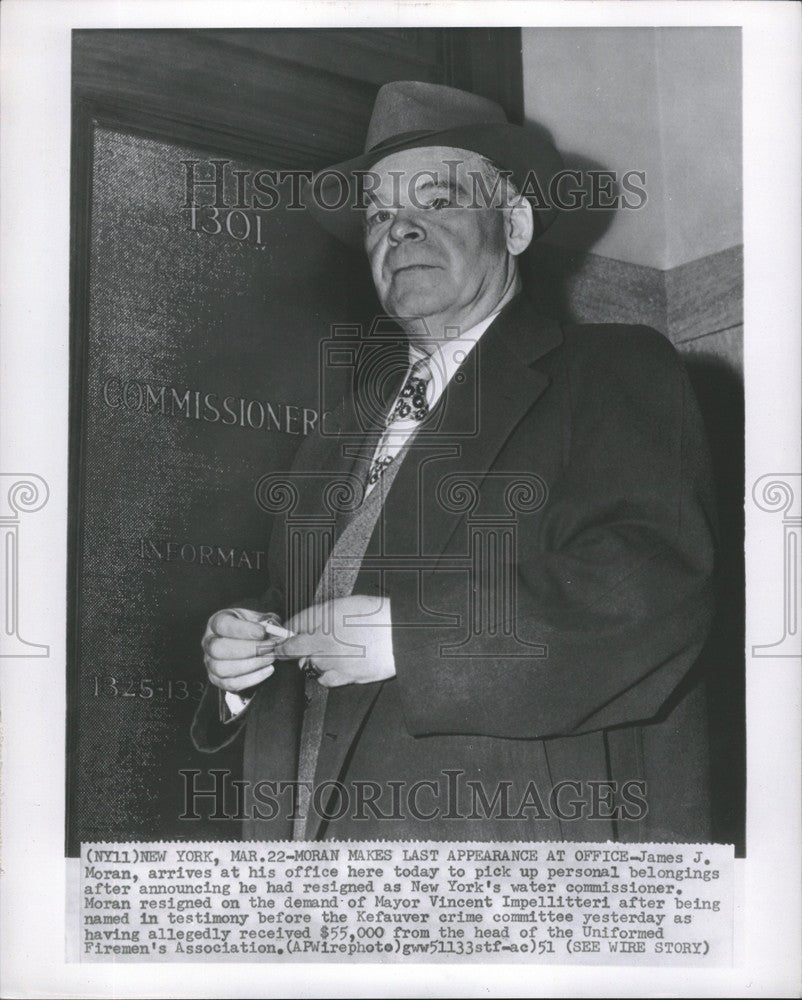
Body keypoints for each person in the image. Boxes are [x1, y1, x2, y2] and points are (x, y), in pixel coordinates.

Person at [192, 81, 717, 843]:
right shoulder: (332, 439)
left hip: (514, 889)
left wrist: (414, 638)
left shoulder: (613, 373)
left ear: (515, 222)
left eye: (436, 201)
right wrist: (239, 667)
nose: (399, 230)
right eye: (378, 214)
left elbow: (654, 589)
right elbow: (305, 629)